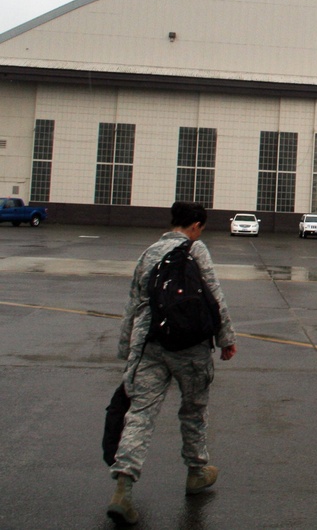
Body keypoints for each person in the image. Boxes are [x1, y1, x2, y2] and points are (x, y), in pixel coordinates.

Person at [107, 201, 238, 525]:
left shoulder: (149, 253)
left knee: (140, 414)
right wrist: (226, 339)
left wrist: (126, 350)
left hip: (150, 344)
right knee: (193, 411)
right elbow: (214, 295)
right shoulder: (196, 250)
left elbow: (133, 304)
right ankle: (196, 472)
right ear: (196, 226)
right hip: (190, 348)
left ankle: (123, 488)